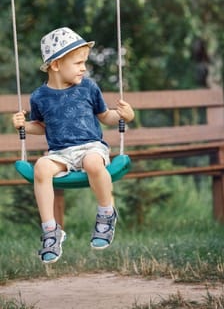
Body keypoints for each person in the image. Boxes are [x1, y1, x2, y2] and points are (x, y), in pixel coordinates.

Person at [12, 27, 135, 264]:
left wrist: (123, 116)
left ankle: (106, 214)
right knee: (40, 168)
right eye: (78, 63)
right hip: (60, 153)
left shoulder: (88, 87)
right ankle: (51, 231)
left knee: (91, 163)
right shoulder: (39, 96)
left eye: (84, 63)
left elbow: (105, 116)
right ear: (56, 65)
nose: (84, 68)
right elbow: (41, 126)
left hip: (92, 147)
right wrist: (24, 126)